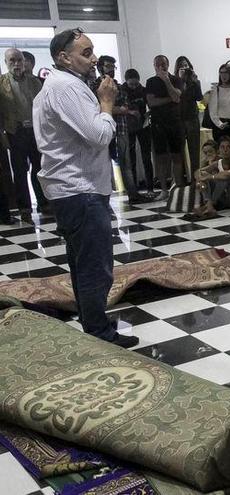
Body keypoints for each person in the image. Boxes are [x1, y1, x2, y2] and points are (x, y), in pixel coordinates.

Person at [34, 28, 138, 347]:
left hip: (73, 189)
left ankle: (94, 326)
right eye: (86, 53)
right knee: (95, 268)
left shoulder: (63, 84)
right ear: (63, 57)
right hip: (80, 190)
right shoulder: (66, 87)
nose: (93, 59)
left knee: (84, 265)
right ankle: (99, 334)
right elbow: (99, 135)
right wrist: (106, 102)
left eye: (92, 51)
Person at [93, 55, 147, 204]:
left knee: (126, 162)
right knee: (103, 164)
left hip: (121, 128)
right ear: (100, 68)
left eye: (113, 67)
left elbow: (124, 106)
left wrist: (118, 109)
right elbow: (99, 107)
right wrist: (119, 109)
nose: (111, 70)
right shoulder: (95, 85)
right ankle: (103, 197)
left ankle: (133, 194)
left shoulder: (117, 85)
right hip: (103, 128)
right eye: (108, 66)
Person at [1, 48, 49, 214]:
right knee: (20, 171)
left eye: (19, 60)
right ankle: (24, 207)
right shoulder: (1, 83)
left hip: (35, 131)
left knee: (40, 168)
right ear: (6, 63)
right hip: (15, 132)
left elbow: (43, 107)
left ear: (24, 62)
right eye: (12, 60)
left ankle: (44, 203)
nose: (16, 64)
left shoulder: (34, 82)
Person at [145, 54, 185, 199]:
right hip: (158, 124)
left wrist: (167, 81)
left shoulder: (176, 80)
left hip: (174, 122)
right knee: (161, 157)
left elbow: (177, 96)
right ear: (154, 66)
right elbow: (151, 103)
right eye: (159, 64)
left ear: (168, 64)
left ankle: (179, 188)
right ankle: (163, 190)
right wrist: (170, 99)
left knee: (177, 155)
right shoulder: (151, 82)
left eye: (164, 63)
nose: (162, 66)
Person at [193, 135, 230, 219]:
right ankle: (203, 205)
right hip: (226, 200)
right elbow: (197, 172)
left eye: (228, 147)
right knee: (204, 175)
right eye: (222, 147)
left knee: (224, 178)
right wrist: (200, 179)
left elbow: (227, 175)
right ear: (219, 150)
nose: (225, 150)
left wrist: (210, 177)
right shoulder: (218, 163)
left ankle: (210, 205)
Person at [121, 68, 154, 196]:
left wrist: (148, 113)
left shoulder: (143, 90)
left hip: (143, 125)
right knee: (131, 158)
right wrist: (129, 112)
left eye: (136, 84)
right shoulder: (122, 91)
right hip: (128, 127)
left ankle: (150, 188)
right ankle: (133, 188)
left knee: (146, 157)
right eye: (131, 84)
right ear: (126, 81)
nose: (134, 87)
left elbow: (150, 105)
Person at [203, 64, 230, 155]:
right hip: (220, 125)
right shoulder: (216, 90)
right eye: (221, 73)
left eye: (226, 73)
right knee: (222, 153)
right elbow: (212, 110)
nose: (223, 75)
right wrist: (219, 124)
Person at [174, 56, 203, 182]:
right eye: (181, 65)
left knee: (194, 151)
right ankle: (180, 181)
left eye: (186, 65)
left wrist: (195, 82)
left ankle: (195, 180)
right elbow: (175, 98)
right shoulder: (174, 81)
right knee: (178, 152)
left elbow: (199, 97)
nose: (184, 68)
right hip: (178, 119)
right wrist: (181, 80)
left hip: (192, 118)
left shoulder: (195, 81)